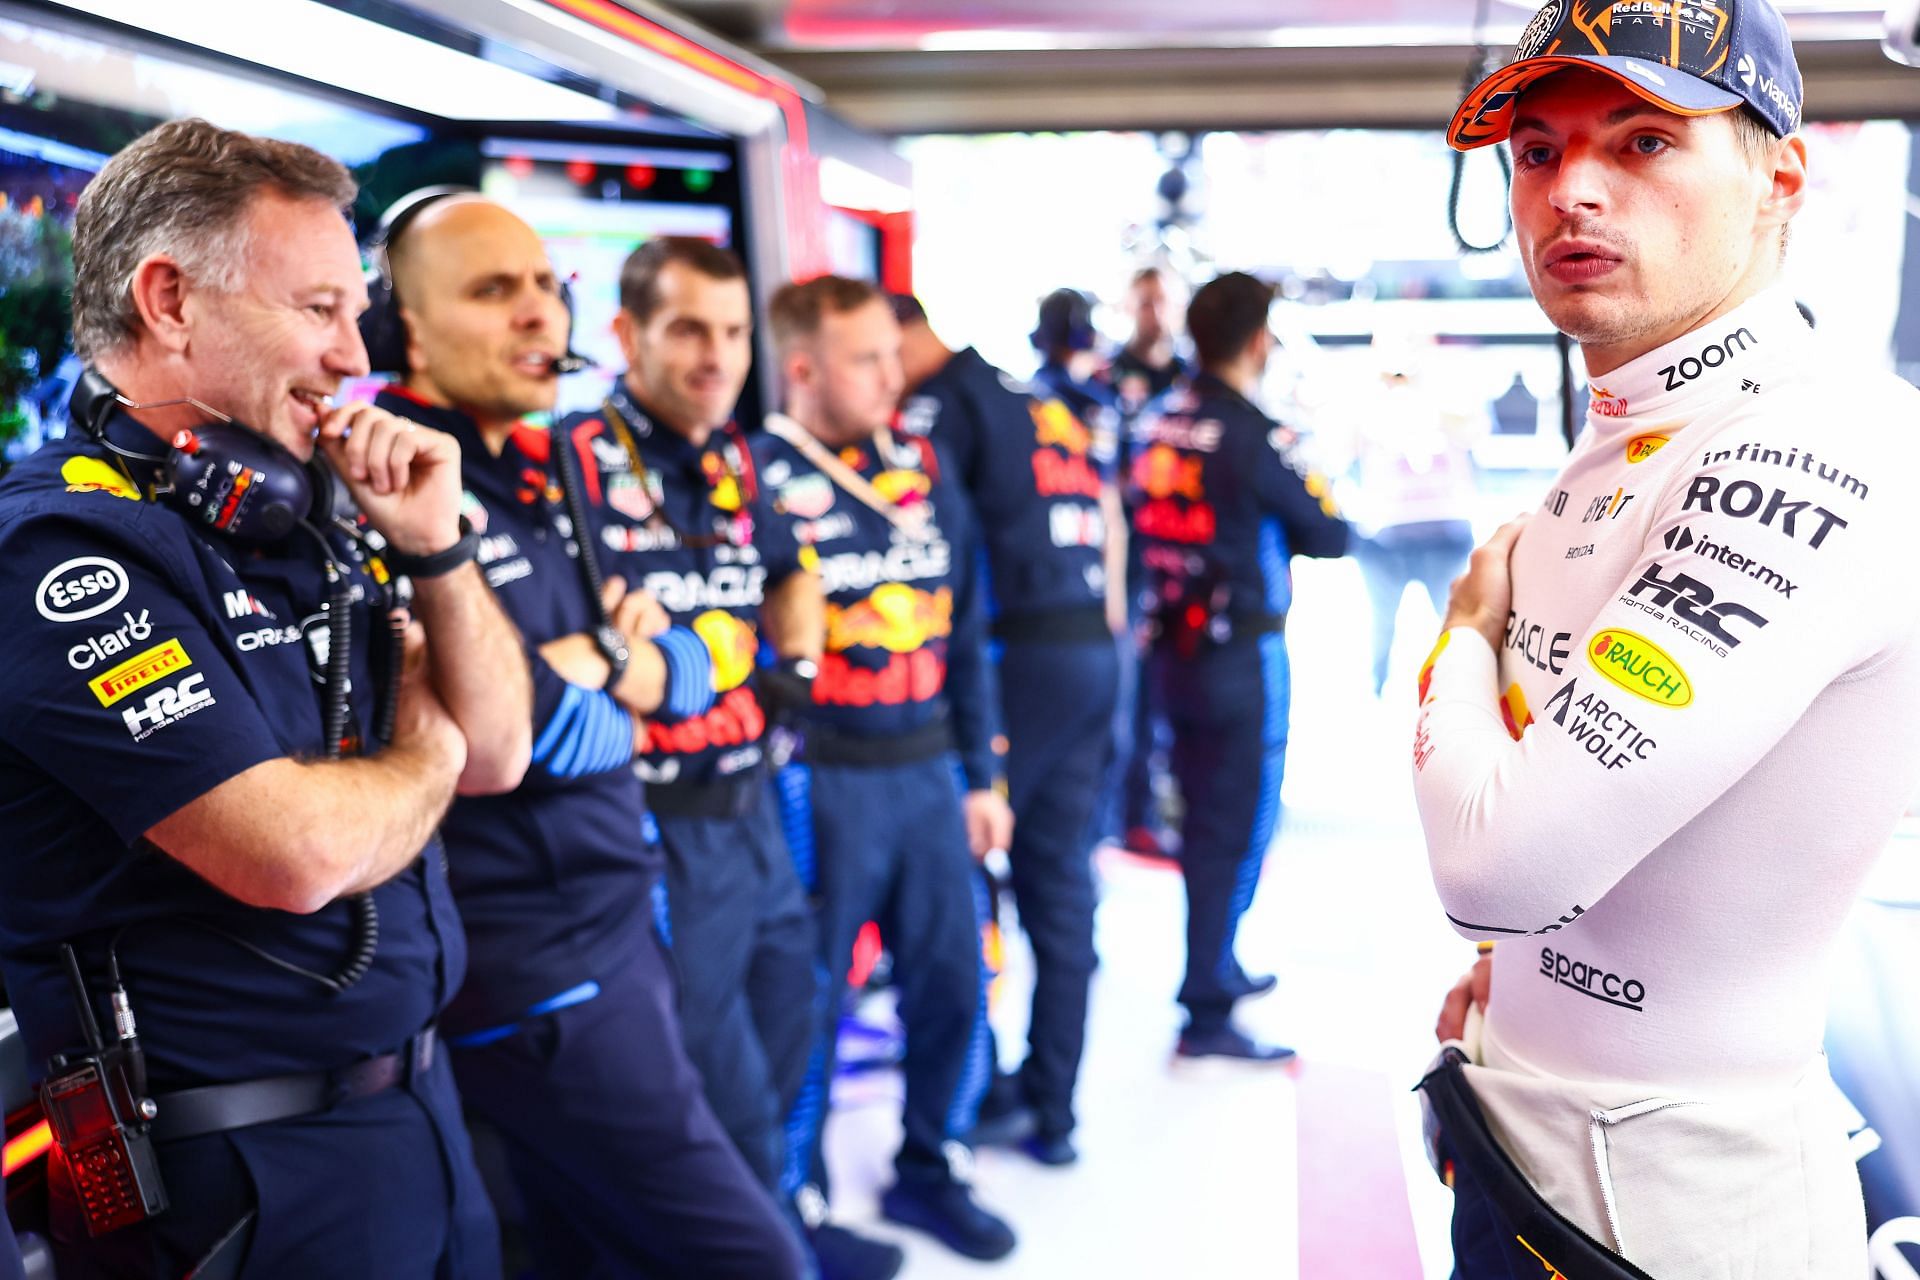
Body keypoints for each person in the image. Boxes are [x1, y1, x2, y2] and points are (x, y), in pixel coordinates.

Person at [1416, 2, 1920, 1274]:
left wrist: (1470, 630)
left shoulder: (1815, 443)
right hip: (1530, 1132)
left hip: (1685, 1207)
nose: (1572, 189)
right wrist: (1518, 994)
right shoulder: (1647, 416)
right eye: (1537, 151)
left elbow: (1495, 865)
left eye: (1643, 143)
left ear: (1779, 178)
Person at [0, 119, 526, 1279]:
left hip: (418, 1113)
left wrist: (436, 550)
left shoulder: (300, 512)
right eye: (319, 309)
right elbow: (289, 853)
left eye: (357, 309)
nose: (357, 352)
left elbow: (501, 749)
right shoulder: (58, 552)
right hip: (239, 1178)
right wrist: (423, 743)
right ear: (171, 301)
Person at [367, 194, 804, 1278]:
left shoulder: (545, 463)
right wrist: (618, 670)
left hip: (613, 921)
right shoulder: (395, 495)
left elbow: (710, 646)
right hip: (538, 969)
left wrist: (605, 670)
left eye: (542, 286)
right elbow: (499, 734)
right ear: (406, 331)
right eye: (489, 289)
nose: (535, 316)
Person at [555, 238, 899, 1280]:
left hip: (756, 798)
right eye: (688, 330)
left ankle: (784, 1215)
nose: (717, 355)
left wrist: (792, 652)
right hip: (652, 824)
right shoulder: (571, 456)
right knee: (717, 1077)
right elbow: (567, 658)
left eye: (735, 331)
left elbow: (795, 572)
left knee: (796, 1017)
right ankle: (760, 1247)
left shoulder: (739, 454)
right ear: (627, 336)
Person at [757, 276, 1018, 1262]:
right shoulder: (757, 473)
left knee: (955, 983)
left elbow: (966, 628)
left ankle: (931, 1164)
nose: (890, 372)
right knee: (808, 999)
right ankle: (800, 1200)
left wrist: (983, 775)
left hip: (929, 773)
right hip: (817, 778)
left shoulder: (923, 461)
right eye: (864, 357)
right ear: (802, 368)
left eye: (888, 350)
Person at [894, 293, 1121, 1167]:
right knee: (1059, 887)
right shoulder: (1036, 397)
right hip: (1089, 655)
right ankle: (1053, 1112)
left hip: (1017, 662)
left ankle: (973, 1090)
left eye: (884, 353)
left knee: (959, 876)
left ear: (909, 336)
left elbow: (926, 545)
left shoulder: (944, 403)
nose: (883, 377)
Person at [1128, 271, 1348, 1061]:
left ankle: (1213, 966)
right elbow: (1330, 533)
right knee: (1237, 822)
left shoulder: (1160, 417)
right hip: (1238, 659)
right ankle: (1208, 1007)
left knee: (1201, 817)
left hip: (1168, 655)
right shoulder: (1254, 434)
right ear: (1259, 341)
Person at [1342, 352, 1481, 697]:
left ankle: (1377, 692)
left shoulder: (1370, 410)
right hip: (1433, 530)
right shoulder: (1442, 406)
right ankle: (1459, 692)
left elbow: (1345, 461)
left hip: (1396, 532)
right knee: (1452, 626)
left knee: (1398, 626)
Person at [1104, 266, 1188, 417]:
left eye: (1162, 301)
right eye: (1146, 304)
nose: (1156, 313)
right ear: (1129, 308)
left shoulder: (1186, 374)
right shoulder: (1108, 372)